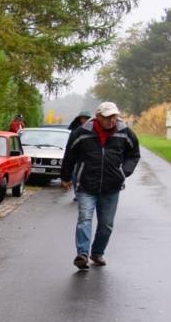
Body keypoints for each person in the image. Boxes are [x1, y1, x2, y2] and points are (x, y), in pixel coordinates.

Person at [60, 101, 140, 270]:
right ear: (98, 117)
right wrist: (65, 177)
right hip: (86, 185)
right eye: (107, 117)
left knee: (106, 224)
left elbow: (134, 154)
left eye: (114, 117)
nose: (111, 120)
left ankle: (97, 253)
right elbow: (70, 155)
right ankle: (82, 254)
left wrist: (123, 172)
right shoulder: (82, 133)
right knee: (84, 219)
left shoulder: (125, 132)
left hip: (111, 187)